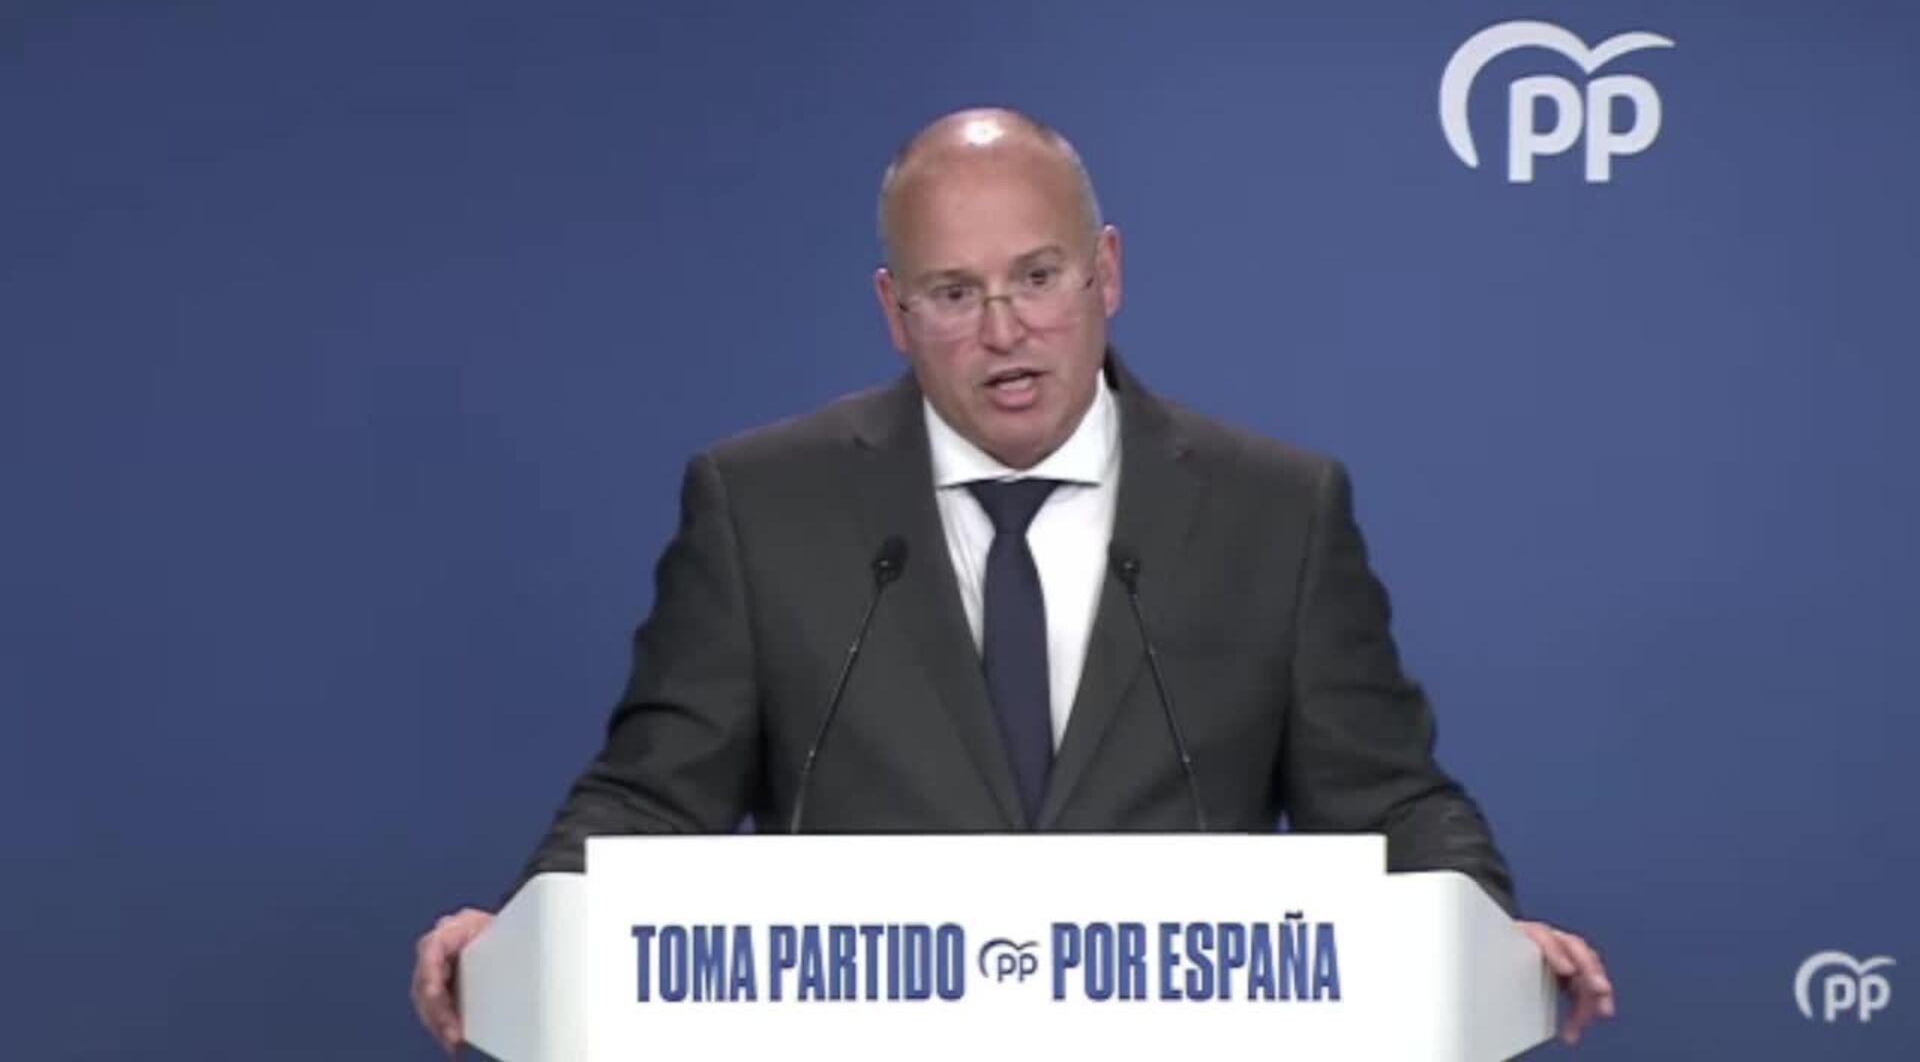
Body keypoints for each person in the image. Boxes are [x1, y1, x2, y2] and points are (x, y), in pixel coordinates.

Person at [410, 107, 1616, 1052]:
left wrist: (1483, 932)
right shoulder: (762, 507)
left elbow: (1391, 799)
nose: (1004, 332)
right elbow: (651, 800)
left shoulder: (1277, 513)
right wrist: (524, 932)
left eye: (1037, 277)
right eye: (953, 294)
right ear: (894, 311)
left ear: (1106, 272)